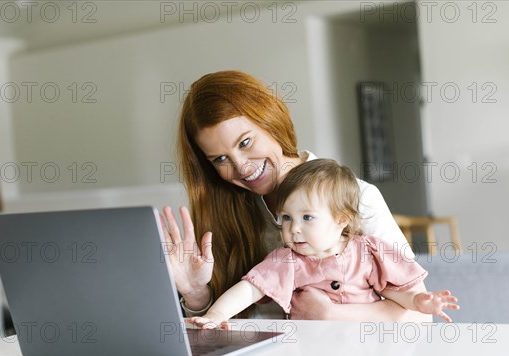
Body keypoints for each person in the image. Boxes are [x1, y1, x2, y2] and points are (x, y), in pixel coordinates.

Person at [161, 70, 430, 321]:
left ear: (271, 120)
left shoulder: (358, 198)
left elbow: (420, 317)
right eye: (220, 159)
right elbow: (221, 327)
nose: (241, 167)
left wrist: (330, 315)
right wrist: (196, 295)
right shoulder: (226, 209)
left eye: (245, 142)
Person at [189, 159, 459, 328]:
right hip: (311, 352)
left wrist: (418, 301)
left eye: (307, 217)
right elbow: (249, 289)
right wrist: (216, 315)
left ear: (341, 219)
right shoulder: (287, 260)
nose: (294, 229)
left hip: (368, 347)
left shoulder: (367, 251)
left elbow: (393, 290)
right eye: (286, 218)